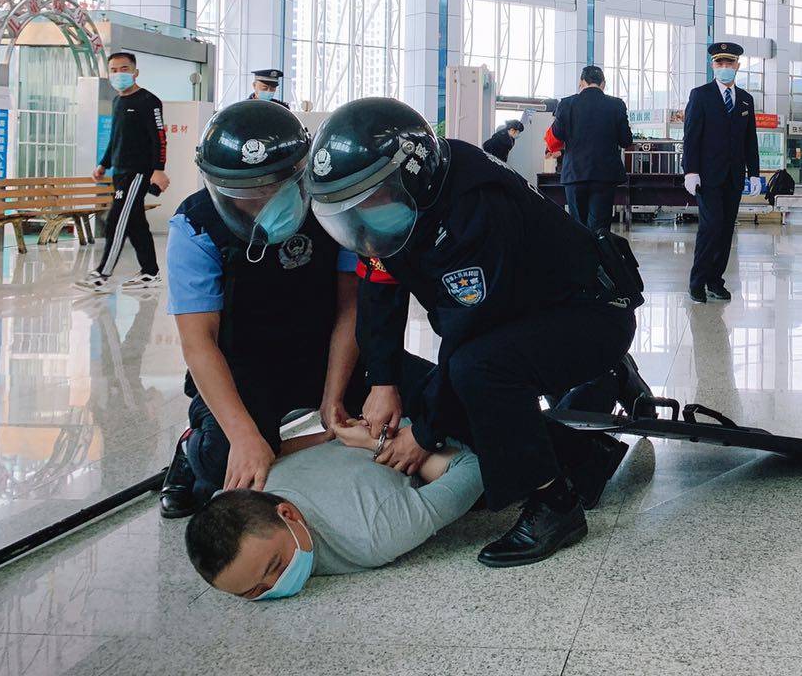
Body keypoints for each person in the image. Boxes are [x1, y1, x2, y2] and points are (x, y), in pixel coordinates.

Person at [306, 98, 638, 568]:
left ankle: (555, 504)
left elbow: (468, 338)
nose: (361, 216)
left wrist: (424, 432)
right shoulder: (395, 208)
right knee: (425, 367)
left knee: (478, 370)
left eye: (368, 199)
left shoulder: (473, 208)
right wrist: (383, 380)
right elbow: (378, 293)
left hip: (594, 314)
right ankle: (592, 422)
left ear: (411, 175)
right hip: (532, 310)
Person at [158, 100, 376, 517]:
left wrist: (333, 398)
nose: (259, 203)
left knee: (404, 404)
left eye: (271, 189)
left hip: (322, 354)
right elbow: (198, 342)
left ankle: (289, 441)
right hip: (243, 366)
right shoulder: (196, 225)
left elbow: (351, 310)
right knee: (225, 462)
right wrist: (243, 437)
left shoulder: (331, 208)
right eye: (242, 195)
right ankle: (192, 447)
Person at [184, 415, 482, 600]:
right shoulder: (233, 499)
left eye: (277, 565)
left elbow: (478, 468)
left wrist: (379, 445)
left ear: (288, 514)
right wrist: (326, 438)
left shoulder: (375, 532)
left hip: (423, 421)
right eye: (253, 593)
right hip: (354, 426)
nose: (276, 586)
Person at [76, 51, 170, 293]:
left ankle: (101, 274)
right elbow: (115, 138)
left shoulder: (148, 101)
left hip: (137, 173)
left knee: (116, 221)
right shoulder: (118, 101)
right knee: (136, 223)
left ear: (135, 72)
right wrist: (103, 164)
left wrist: (158, 170)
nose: (119, 74)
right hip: (119, 171)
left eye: (124, 69)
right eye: (114, 70)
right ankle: (150, 272)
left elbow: (159, 138)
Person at [681, 42, 760, 303]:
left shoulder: (746, 99)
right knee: (711, 226)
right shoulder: (700, 95)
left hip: (734, 177)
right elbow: (691, 136)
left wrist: (754, 173)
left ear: (737, 66)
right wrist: (690, 170)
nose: (725, 68)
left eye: (729, 63)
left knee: (726, 230)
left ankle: (715, 280)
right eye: (719, 63)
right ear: (713, 66)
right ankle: (697, 281)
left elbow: (750, 140)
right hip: (707, 176)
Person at [552, 64, 634, 233]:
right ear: (603, 83)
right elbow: (626, 140)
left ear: (581, 82)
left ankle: (581, 259)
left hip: (575, 173)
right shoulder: (616, 105)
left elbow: (557, 134)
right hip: (604, 175)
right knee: (600, 228)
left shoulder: (567, 103)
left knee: (578, 227)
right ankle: (600, 259)